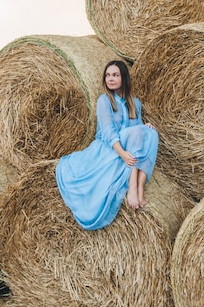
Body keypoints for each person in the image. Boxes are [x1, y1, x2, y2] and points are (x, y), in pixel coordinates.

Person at [56, 60, 158, 230]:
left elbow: (137, 132)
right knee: (139, 133)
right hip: (109, 147)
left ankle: (140, 186)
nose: (110, 79)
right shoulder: (104, 100)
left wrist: (146, 127)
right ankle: (132, 185)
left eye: (115, 75)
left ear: (124, 78)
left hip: (130, 144)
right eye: (108, 75)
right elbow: (109, 132)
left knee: (151, 133)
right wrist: (123, 154)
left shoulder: (136, 103)